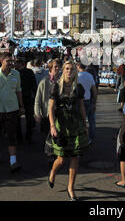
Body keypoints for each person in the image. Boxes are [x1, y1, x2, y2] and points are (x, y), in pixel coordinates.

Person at [47, 61, 89, 201]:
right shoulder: (56, 87)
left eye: (71, 69)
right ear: (63, 70)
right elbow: (51, 108)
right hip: (61, 124)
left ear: (75, 71)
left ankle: (71, 187)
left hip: (76, 123)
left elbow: (82, 107)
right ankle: (53, 172)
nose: (69, 71)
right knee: (61, 158)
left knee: (75, 156)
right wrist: (52, 126)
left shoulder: (78, 87)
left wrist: (85, 123)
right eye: (66, 69)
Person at [0, 52, 24, 173]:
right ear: (1, 61)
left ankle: (13, 161)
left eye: (11, 61)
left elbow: (18, 91)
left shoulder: (16, 74)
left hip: (12, 109)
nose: (11, 63)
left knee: (12, 135)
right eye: (8, 61)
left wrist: (21, 105)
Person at [14, 58, 37, 144]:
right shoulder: (13, 72)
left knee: (29, 118)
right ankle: (20, 137)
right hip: (17, 98)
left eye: (16, 63)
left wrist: (34, 96)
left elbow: (34, 85)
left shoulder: (28, 72)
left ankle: (27, 136)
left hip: (26, 97)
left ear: (20, 63)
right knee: (18, 118)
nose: (14, 64)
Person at [76, 61, 97, 145]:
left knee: (80, 121)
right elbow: (94, 90)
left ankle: (81, 137)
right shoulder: (90, 76)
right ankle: (91, 137)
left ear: (78, 66)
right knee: (91, 120)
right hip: (88, 100)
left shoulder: (77, 76)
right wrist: (94, 102)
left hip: (79, 101)